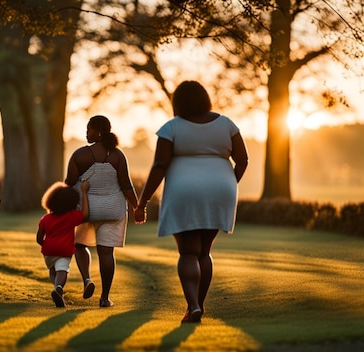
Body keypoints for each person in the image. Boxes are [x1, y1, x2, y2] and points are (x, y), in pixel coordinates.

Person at [134, 80, 248, 323]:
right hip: (220, 190)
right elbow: (243, 160)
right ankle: (200, 305)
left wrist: (142, 202)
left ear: (179, 103)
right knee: (204, 252)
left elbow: (160, 165)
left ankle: (193, 305)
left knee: (188, 251)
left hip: (183, 191)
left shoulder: (171, 127)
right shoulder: (227, 124)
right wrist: (229, 185)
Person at [65, 115, 139, 308]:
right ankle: (105, 298)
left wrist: (59, 207)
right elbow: (127, 186)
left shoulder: (80, 155)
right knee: (106, 254)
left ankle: (87, 279)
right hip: (112, 210)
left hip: (85, 210)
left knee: (79, 245)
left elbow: (69, 183)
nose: (85, 133)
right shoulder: (118, 155)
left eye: (88, 129)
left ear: (97, 132)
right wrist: (138, 207)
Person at [36, 180, 90, 308]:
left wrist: (45, 244)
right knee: (62, 270)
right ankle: (58, 287)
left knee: (53, 270)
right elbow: (86, 215)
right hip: (64, 250)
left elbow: (38, 238)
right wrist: (84, 192)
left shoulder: (46, 219)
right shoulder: (71, 216)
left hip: (48, 251)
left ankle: (56, 288)